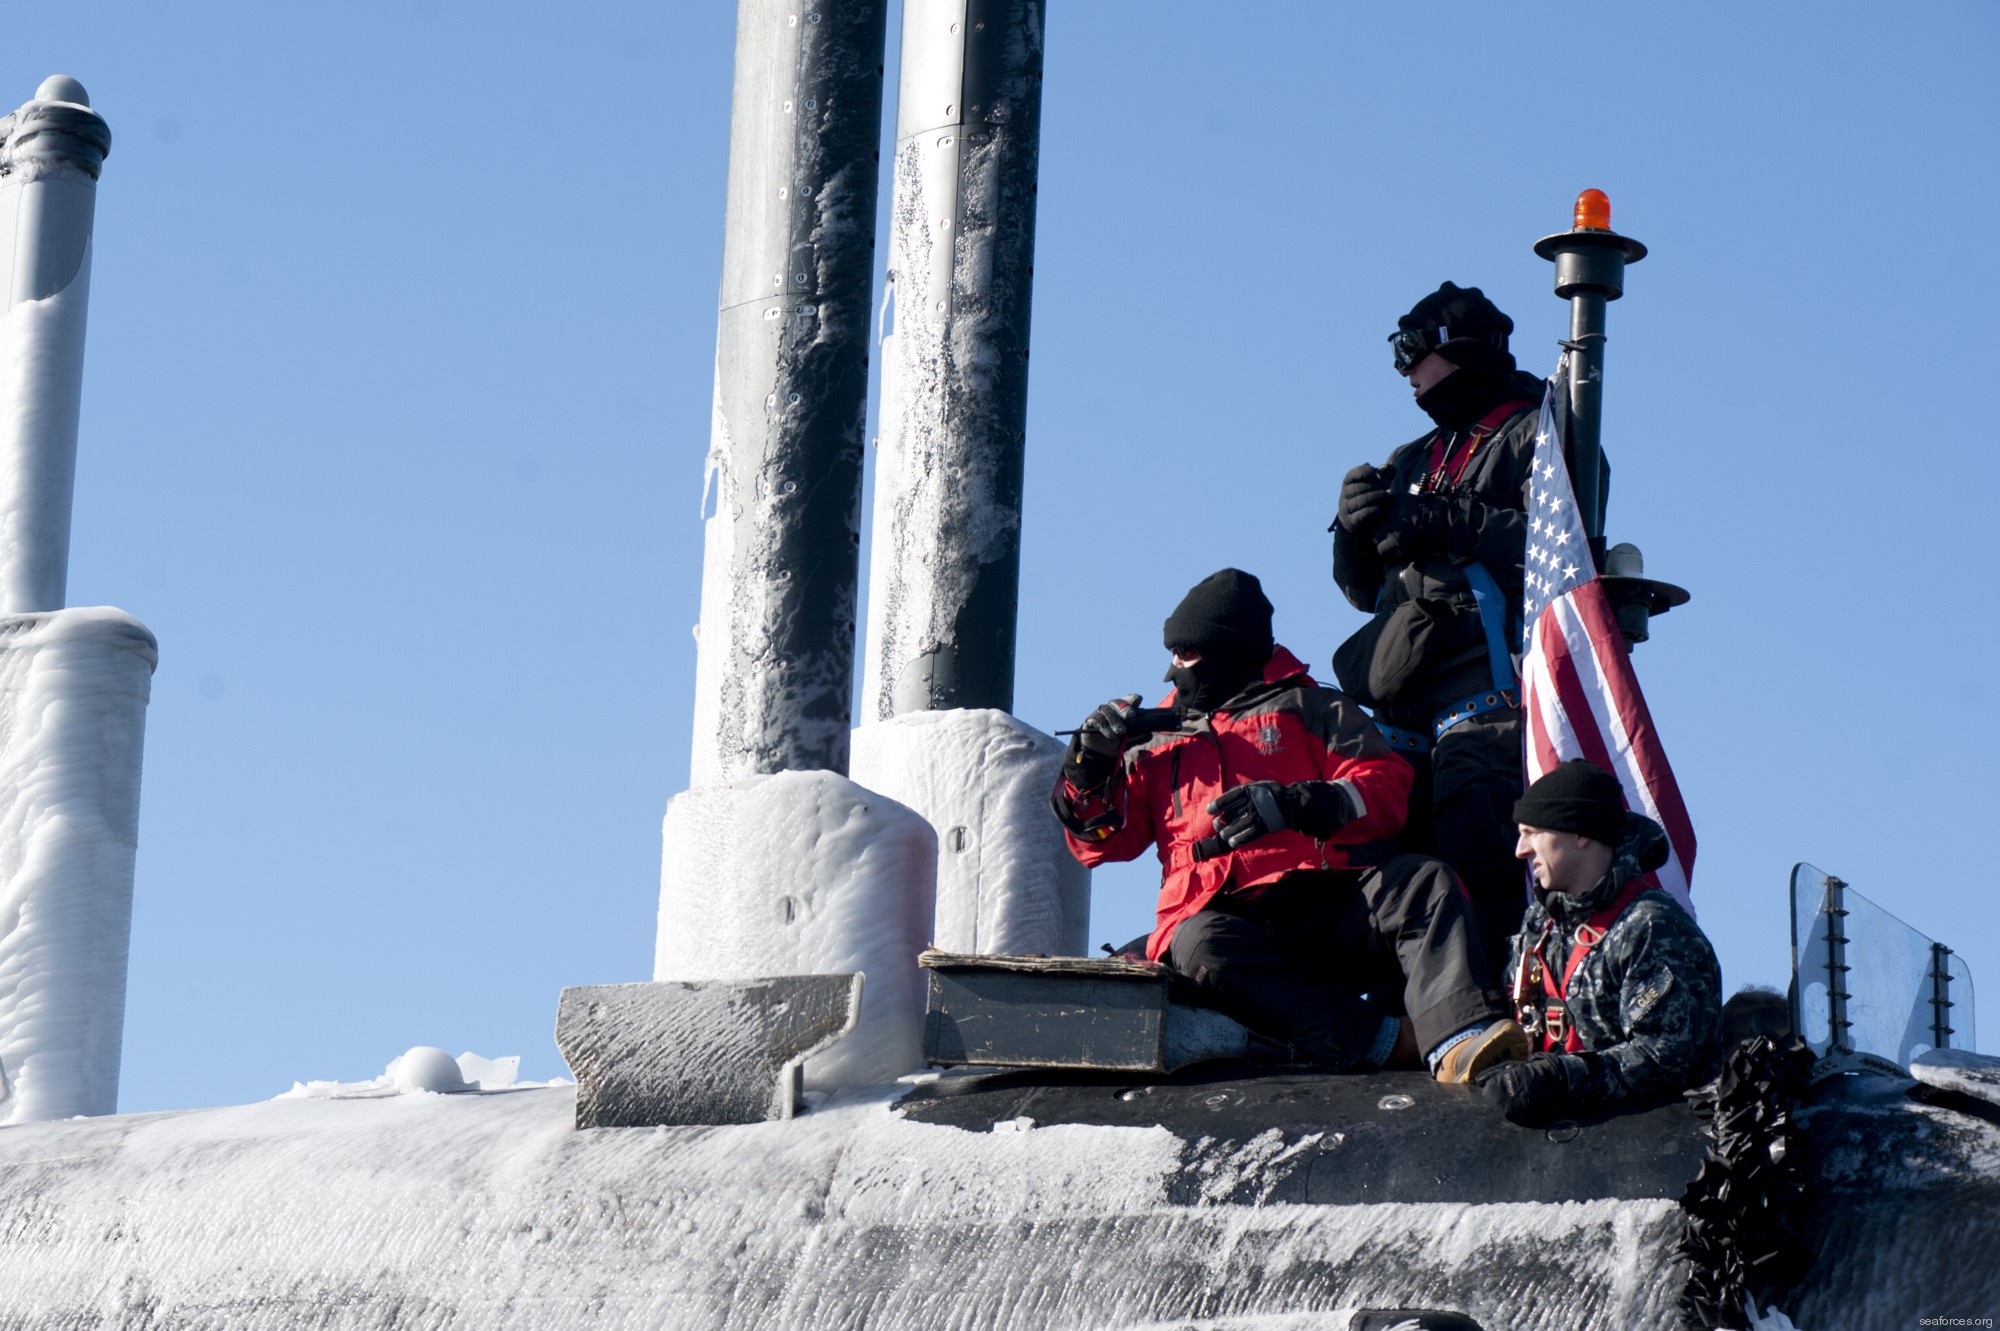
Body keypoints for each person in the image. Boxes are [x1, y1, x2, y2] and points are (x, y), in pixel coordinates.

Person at [1051, 568, 1527, 1083]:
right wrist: (1088, 772)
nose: (1172, 672)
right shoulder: (1156, 739)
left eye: (1184, 654)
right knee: (1198, 943)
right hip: (1222, 925)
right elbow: (1101, 845)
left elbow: (1387, 789)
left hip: (1325, 905)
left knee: (1422, 882)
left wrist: (1302, 804)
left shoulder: (1312, 708)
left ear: (1226, 650)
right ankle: (1384, 1041)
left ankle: (1462, 1036)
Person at [1330, 282, 1580, 969]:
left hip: (1485, 698)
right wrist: (1353, 531)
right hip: (1403, 701)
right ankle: (1408, 1009)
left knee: (1479, 850)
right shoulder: (1413, 458)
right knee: (1383, 858)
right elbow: (1360, 592)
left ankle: (1506, 992)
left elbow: (1561, 549)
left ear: (1459, 350)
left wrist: (1443, 521)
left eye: (1414, 353)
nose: (1406, 372)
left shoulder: (1538, 433)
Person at [1477, 759, 1723, 1125]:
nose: (1520, 850)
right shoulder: (1539, 924)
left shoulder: (1653, 927)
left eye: (1532, 832)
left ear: (1579, 833)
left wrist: (1562, 1078)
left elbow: (1666, 1058)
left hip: (1644, 1150)